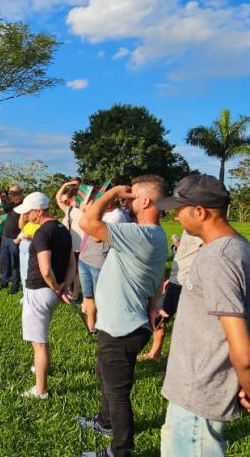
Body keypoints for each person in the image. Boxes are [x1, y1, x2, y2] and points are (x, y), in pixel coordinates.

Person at [154, 175, 250, 456]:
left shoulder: (218, 258)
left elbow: (242, 349)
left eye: (179, 209)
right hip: (199, 391)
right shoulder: (238, 247)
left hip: (199, 395)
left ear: (200, 212)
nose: (175, 215)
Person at [77, 175, 168, 457]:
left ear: (145, 201)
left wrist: (111, 193)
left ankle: (120, 450)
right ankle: (105, 422)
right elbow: (158, 275)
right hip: (119, 323)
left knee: (117, 393)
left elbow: (87, 223)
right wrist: (155, 302)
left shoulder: (142, 234)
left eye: (131, 195)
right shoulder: (153, 234)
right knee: (105, 376)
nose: (126, 200)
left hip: (122, 329)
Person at [15, 192, 76, 398]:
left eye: (29, 212)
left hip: (40, 291)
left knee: (39, 343)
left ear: (39, 211)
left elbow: (45, 269)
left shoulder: (42, 233)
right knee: (41, 339)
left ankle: (40, 390)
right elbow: (72, 264)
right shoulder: (63, 230)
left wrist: (55, 287)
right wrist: (64, 286)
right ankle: (42, 368)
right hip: (51, 292)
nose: (26, 216)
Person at [139, 229, 202, 362]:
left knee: (166, 317)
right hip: (176, 280)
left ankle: (167, 356)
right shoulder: (189, 229)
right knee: (161, 315)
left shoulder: (202, 229)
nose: (177, 215)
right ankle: (155, 353)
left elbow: (207, 251)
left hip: (185, 282)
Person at [78, 194, 128, 334]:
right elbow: (82, 225)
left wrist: (90, 214)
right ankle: (91, 324)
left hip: (100, 262)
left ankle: (104, 325)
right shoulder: (101, 214)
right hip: (85, 259)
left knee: (101, 297)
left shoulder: (116, 216)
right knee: (88, 295)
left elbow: (96, 238)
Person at [0, 185, 23, 294]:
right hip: (5, 237)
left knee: (15, 263)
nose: (9, 194)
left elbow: (26, 223)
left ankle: (15, 286)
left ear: (17, 193)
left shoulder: (23, 206)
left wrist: (19, 237)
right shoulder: (11, 204)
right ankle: (4, 282)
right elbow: (0, 212)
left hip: (15, 239)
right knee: (5, 262)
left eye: (11, 193)